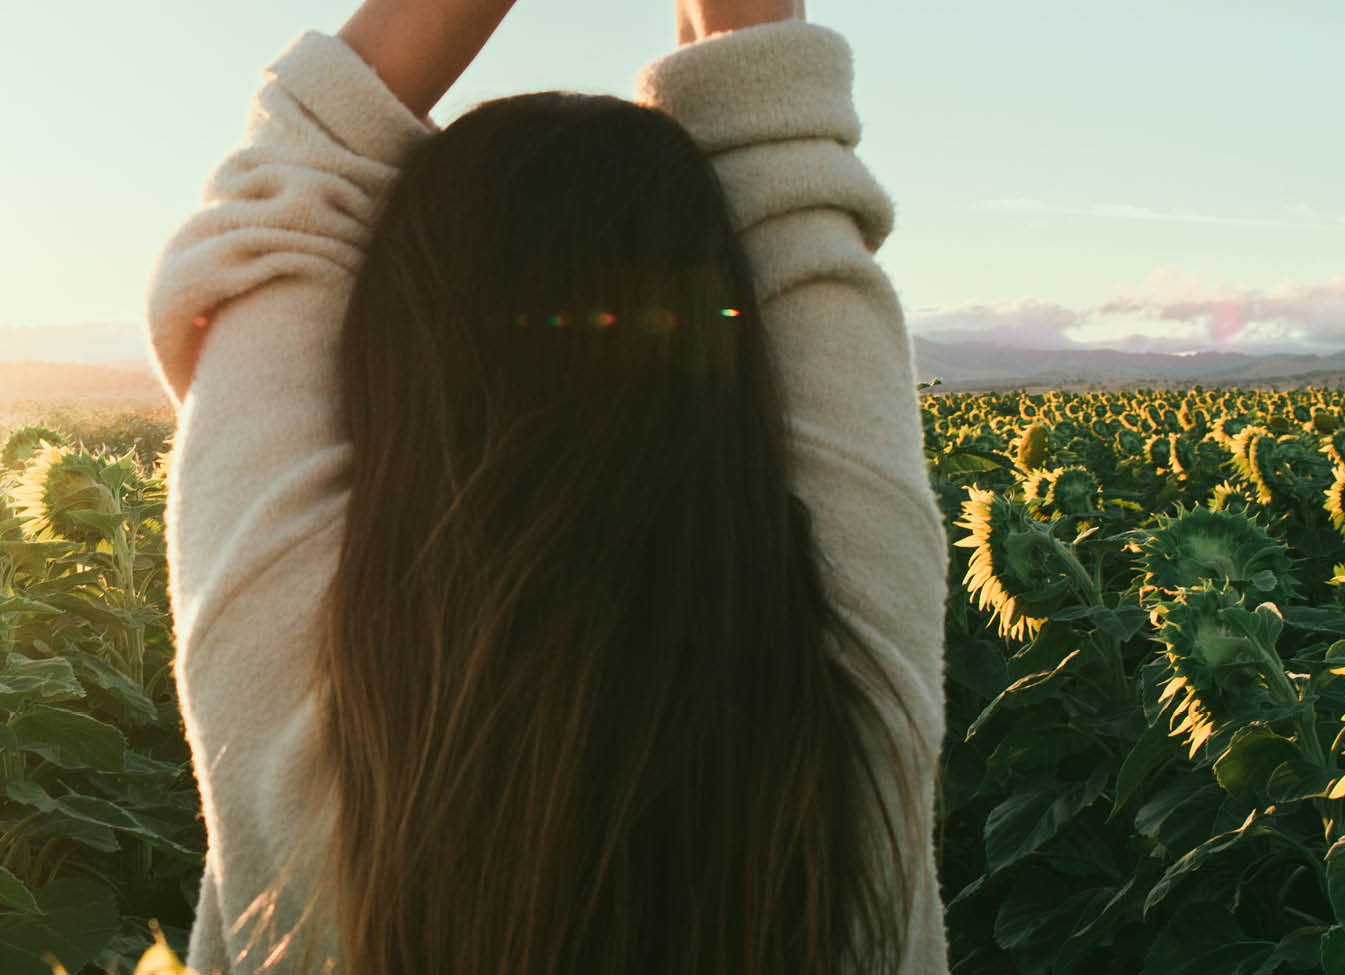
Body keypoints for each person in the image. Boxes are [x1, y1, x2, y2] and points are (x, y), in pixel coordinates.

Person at [143, 0, 949, 971]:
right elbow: (785, 157)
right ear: (732, 342)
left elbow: (299, 169)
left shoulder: (288, 673)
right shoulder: (855, 674)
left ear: (387, 343)